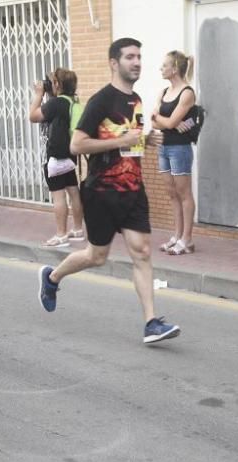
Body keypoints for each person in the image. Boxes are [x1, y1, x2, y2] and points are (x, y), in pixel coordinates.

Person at [38, 38, 181, 344]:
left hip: (132, 189)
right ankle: (52, 277)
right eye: (130, 57)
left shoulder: (137, 101)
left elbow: (130, 143)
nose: (137, 62)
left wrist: (146, 141)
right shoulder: (101, 101)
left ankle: (151, 323)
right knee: (96, 256)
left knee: (142, 253)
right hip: (101, 191)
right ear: (114, 63)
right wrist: (122, 142)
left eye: (140, 56)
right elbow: (77, 144)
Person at [29, 68, 85, 248]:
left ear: (58, 85)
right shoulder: (72, 101)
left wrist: (38, 94)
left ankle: (61, 235)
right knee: (73, 191)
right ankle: (77, 230)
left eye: (53, 81)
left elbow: (33, 116)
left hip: (56, 157)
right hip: (69, 155)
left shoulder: (57, 103)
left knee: (58, 196)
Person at [151, 50, 197, 256]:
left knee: (184, 194)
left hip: (180, 148)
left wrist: (169, 123)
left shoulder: (187, 92)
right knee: (172, 194)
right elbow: (152, 119)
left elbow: (165, 120)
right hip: (163, 146)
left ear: (175, 68)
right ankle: (176, 236)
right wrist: (170, 123)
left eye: (164, 65)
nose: (161, 69)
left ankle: (187, 240)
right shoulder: (162, 92)